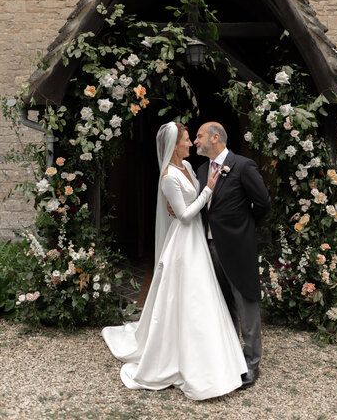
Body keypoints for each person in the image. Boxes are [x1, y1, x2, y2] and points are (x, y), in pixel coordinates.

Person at [102, 121, 247, 400]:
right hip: (184, 242)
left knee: (203, 295)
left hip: (196, 242)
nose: (191, 143)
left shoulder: (189, 168)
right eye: (185, 140)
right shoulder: (168, 176)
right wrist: (210, 189)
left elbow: (190, 203)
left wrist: (204, 193)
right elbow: (184, 215)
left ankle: (215, 357)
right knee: (189, 295)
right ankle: (183, 359)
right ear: (173, 145)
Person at [195, 122, 271, 389]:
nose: (195, 141)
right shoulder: (202, 170)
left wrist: (244, 228)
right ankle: (229, 359)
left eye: (200, 136)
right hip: (209, 247)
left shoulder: (243, 166)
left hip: (238, 246)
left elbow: (263, 204)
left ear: (215, 138)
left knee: (245, 302)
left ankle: (252, 363)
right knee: (222, 304)